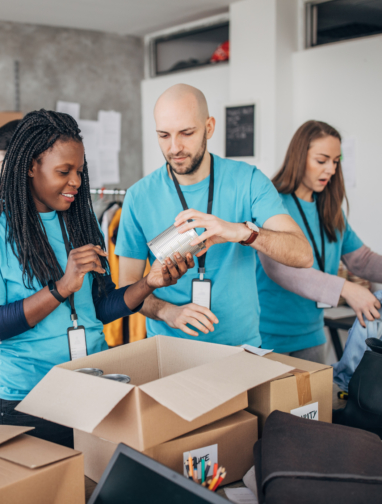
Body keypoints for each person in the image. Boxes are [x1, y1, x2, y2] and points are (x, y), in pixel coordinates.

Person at [0, 109, 194, 447]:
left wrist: (149, 283)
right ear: (29, 167)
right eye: (64, 171)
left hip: (95, 383)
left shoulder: (79, 220)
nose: (77, 182)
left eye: (80, 171)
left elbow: (99, 307)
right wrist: (61, 287)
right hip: (30, 398)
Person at [117, 84, 313, 347]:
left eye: (187, 133)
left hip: (240, 350)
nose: (174, 147)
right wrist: (167, 312)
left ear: (209, 127)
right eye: (164, 135)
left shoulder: (249, 180)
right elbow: (126, 287)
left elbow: (303, 254)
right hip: (168, 351)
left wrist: (242, 232)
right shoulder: (138, 196)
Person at [256, 120, 382, 363]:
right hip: (267, 337)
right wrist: (346, 289)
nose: (331, 170)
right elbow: (281, 269)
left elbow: (361, 260)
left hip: (312, 334)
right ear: (299, 157)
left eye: (335, 162)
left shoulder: (330, 209)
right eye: (322, 161)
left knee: (317, 402)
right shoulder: (272, 204)